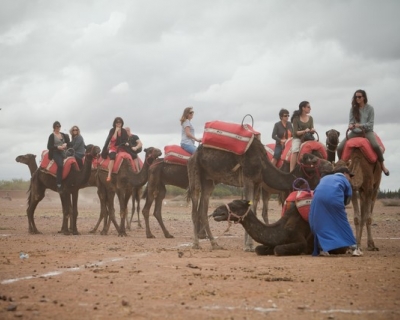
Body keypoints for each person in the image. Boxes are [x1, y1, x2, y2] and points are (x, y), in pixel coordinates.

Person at [309, 167, 362, 257]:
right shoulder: (345, 181)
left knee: (319, 223)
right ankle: (355, 248)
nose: (350, 178)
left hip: (316, 201)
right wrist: (339, 210)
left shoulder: (325, 178)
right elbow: (347, 199)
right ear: (345, 173)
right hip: (334, 200)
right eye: (350, 176)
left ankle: (322, 249)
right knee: (342, 223)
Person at [337, 89, 389, 176]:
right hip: (354, 132)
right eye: (356, 97)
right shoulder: (353, 109)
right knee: (339, 147)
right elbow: (351, 121)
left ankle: (382, 165)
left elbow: (370, 124)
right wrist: (351, 126)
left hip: (367, 131)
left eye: (359, 97)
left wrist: (360, 125)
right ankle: (340, 165)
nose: (357, 98)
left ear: (364, 97)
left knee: (376, 146)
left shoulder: (370, 109)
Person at [289, 101, 315, 171]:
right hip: (298, 138)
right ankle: (291, 170)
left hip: (308, 138)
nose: (310, 109)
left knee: (320, 147)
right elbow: (295, 132)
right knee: (295, 150)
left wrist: (312, 130)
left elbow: (311, 128)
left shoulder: (310, 118)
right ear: (303, 108)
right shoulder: (296, 119)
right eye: (308, 107)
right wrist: (304, 131)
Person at [101, 117, 129, 182]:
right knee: (112, 157)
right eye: (117, 123)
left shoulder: (124, 131)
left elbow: (125, 140)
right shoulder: (112, 130)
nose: (118, 124)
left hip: (121, 148)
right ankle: (109, 174)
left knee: (129, 156)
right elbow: (113, 139)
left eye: (120, 123)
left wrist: (126, 143)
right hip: (113, 147)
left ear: (122, 123)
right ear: (115, 123)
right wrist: (116, 131)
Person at [47, 121, 70, 192]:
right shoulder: (52, 136)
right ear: (54, 127)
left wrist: (65, 144)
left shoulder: (63, 135)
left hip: (64, 152)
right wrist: (57, 147)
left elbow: (68, 143)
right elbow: (49, 146)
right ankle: (58, 184)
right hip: (56, 152)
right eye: (57, 126)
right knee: (60, 165)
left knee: (73, 161)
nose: (58, 128)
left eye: (59, 126)